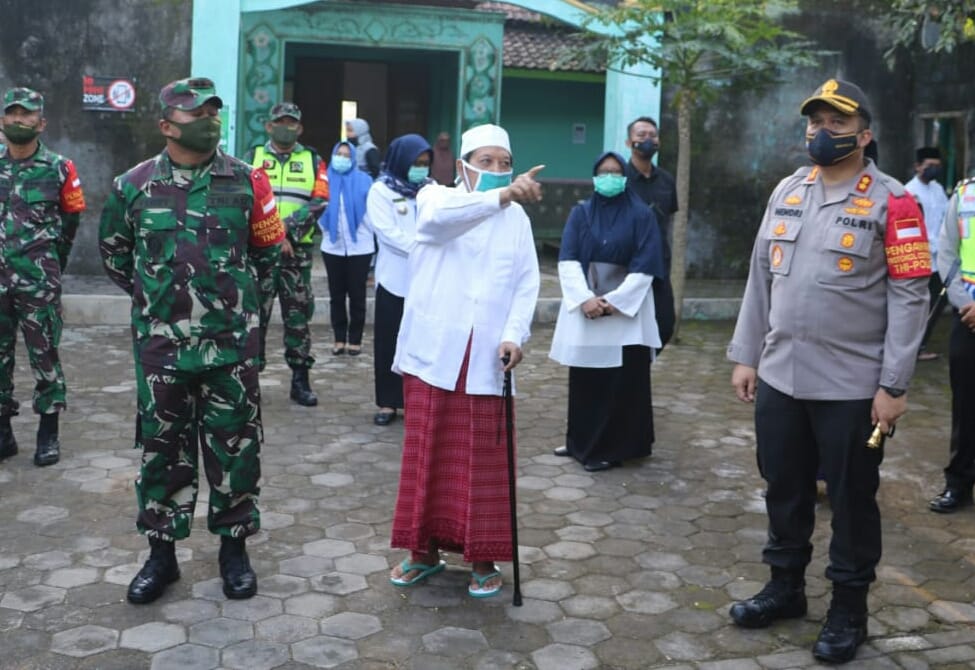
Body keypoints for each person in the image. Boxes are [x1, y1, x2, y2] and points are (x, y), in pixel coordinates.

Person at [726, 79, 930, 664]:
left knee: (851, 499)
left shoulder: (896, 202)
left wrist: (894, 385)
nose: (822, 132)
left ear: (864, 136)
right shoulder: (788, 190)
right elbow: (760, 275)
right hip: (781, 374)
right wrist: (747, 355)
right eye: (815, 122)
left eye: (837, 124)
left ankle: (848, 610)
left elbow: (911, 296)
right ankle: (785, 588)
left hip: (852, 385)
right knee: (783, 487)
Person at [99, 77, 284, 605]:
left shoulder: (248, 181)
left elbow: (268, 255)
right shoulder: (132, 185)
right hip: (162, 350)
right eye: (196, 114)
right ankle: (161, 555)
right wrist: (161, 305)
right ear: (166, 125)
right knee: (162, 452)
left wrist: (239, 313)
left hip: (230, 349)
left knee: (236, 449)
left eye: (213, 112)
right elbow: (115, 255)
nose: (209, 121)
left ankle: (234, 550)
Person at [388, 123, 541, 598]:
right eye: (486, 161)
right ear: (462, 167)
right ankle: (422, 553)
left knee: (484, 463)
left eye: (504, 163)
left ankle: (482, 558)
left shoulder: (518, 220)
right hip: (434, 355)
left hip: (488, 358)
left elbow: (526, 283)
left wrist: (515, 334)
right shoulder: (436, 197)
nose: (497, 170)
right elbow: (437, 223)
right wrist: (502, 196)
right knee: (427, 458)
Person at [549, 151, 664, 472]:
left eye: (615, 172)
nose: (609, 177)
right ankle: (579, 442)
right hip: (587, 308)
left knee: (621, 383)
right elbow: (568, 259)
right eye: (603, 172)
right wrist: (585, 299)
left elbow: (646, 263)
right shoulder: (581, 214)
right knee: (586, 381)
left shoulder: (642, 216)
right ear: (594, 176)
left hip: (626, 313)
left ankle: (613, 449)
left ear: (625, 176)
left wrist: (616, 302)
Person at [0, 86, 86, 467]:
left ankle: (48, 432)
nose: (19, 119)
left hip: (38, 283)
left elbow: (70, 223)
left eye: (27, 114)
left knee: (45, 356)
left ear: (42, 123)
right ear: (2, 120)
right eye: (13, 113)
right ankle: (3, 432)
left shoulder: (60, 168)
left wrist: (50, 265)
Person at [242, 101, 329, 406]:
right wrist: (272, 236)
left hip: (296, 255)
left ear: (299, 128)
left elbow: (320, 201)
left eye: (291, 123)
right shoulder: (253, 158)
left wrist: (285, 232)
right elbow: (243, 198)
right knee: (255, 317)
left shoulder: (313, 160)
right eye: (280, 122)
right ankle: (249, 381)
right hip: (260, 254)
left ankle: (300, 381)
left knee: (298, 317)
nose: (286, 128)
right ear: (269, 126)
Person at [366, 133, 433, 426]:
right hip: (394, 280)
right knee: (389, 342)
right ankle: (388, 402)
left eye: (425, 163)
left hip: (427, 281)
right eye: (416, 163)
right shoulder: (381, 190)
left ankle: (419, 400)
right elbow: (386, 232)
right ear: (401, 160)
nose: (421, 169)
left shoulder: (431, 190)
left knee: (424, 343)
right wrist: (425, 248)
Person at [928, 174, 975, 513]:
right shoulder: (965, 194)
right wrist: (964, 304)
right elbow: (946, 255)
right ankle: (958, 484)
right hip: (967, 317)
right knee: (966, 408)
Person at [319, 141, 374, 356]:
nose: (342, 158)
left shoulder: (364, 180)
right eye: (338, 154)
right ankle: (339, 338)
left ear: (353, 158)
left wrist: (364, 230)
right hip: (332, 246)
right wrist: (326, 229)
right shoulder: (324, 181)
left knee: (357, 295)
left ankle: (355, 339)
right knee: (337, 295)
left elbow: (372, 211)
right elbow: (318, 208)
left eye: (346, 155)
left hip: (360, 246)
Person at [905, 146, 950, 362]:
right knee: (916, 305)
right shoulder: (908, 191)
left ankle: (921, 345)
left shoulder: (938, 190)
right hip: (920, 256)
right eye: (930, 166)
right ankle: (912, 347)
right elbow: (913, 226)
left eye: (937, 166)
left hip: (939, 258)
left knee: (937, 301)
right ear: (918, 166)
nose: (934, 170)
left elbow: (946, 218)